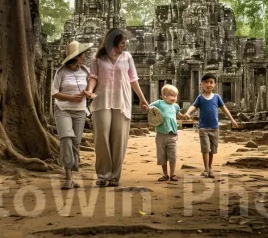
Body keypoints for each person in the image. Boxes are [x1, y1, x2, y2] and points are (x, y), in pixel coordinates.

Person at [84, 28, 149, 187]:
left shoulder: (127, 57)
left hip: (122, 101)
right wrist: (90, 91)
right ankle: (103, 175)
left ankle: (114, 176)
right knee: (101, 137)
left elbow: (133, 79)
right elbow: (93, 77)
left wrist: (142, 99)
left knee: (119, 138)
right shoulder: (98, 58)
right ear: (112, 42)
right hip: (101, 100)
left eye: (124, 43)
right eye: (122, 43)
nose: (124, 46)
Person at [51, 40, 93, 190]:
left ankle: (72, 176)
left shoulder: (85, 71)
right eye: (83, 54)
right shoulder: (60, 72)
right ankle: (67, 178)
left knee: (75, 142)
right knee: (66, 140)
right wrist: (70, 97)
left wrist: (88, 93)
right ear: (77, 56)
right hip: (63, 110)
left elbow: (91, 86)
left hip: (80, 111)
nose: (85, 56)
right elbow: (54, 93)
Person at [184, 73, 238, 178]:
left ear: (215, 84)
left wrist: (232, 120)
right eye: (206, 82)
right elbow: (193, 107)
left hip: (214, 127)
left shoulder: (217, 97)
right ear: (201, 84)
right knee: (205, 149)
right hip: (203, 128)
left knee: (212, 150)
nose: (209, 84)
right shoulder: (200, 98)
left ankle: (210, 167)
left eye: (211, 82)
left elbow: (224, 109)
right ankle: (206, 169)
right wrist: (187, 113)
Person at [149, 84, 188, 182]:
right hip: (161, 134)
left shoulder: (175, 106)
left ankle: (172, 174)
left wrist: (183, 116)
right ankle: (165, 174)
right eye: (171, 95)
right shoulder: (159, 103)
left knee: (172, 155)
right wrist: (147, 109)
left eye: (175, 96)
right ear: (163, 96)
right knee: (162, 156)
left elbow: (178, 114)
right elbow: (150, 108)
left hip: (172, 134)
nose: (174, 98)